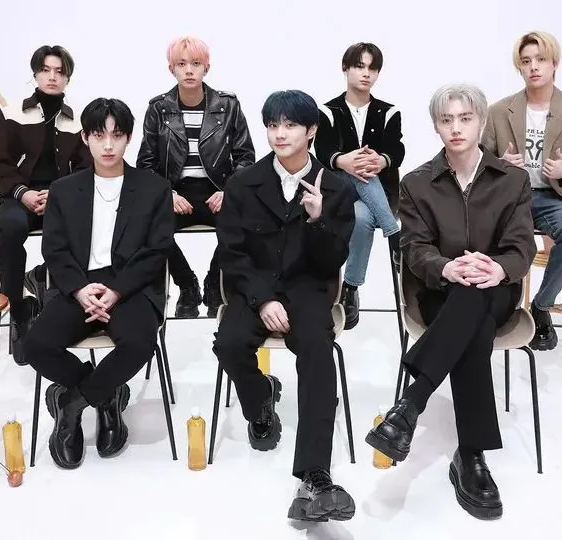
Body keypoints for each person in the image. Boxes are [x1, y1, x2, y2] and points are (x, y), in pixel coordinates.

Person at [365, 84, 536, 520]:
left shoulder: (512, 180)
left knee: (476, 301)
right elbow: (414, 247)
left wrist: (498, 268)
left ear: (481, 122)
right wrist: (445, 268)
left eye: (465, 118)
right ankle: (471, 456)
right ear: (436, 127)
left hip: (497, 290)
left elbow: (522, 246)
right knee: (471, 322)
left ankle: (411, 403)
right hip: (440, 294)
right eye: (446, 120)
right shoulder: (417, 183)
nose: (456, 128)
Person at [213, 90, 356, 521]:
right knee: (229, 343)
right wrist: (262, 300)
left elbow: (332, 263)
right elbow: (232, 254)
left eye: (290, 125)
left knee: (318, 352)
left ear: (311, 130)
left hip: (308, 289)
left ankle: (316, 474)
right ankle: (261, 401)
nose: (280, 133)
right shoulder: (243, 183)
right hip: (254, 288)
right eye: (273, 125)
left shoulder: (336, 188)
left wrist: (317, 220)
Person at [22, 98, 174, 470]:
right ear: (85, 138)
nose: (108, 145)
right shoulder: (63, 189)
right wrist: (78, 289)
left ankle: (71, 403)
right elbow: (54, 249)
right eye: (98, 135)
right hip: (79, 286)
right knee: (36, 345)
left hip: (130, 287)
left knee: (138, 342)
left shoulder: (154, 188)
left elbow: (156, 251)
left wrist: (117, 290)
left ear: (128, 138)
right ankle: (105, 394)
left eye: (117, 135)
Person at [482, 31, 562, 351]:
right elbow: (477, 162)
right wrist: (500, 165)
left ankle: (541, 305)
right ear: (519, 67)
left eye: (540, 59)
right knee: (484, 233)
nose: (533, 67)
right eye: (526, 61)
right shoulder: (498, 111)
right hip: (510, 198)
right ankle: (498, 314)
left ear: (554, 64)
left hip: (554, 197)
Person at [0, 45, 92, 364]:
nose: (52, 77)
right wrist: (23, 193)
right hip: (17, 196)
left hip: (60, 199)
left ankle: (56, 294)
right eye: (46, 70)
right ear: (35, 74)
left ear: (68, 78)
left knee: (84, 229)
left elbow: (87, 168)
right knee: (10, 228)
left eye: (59, 72)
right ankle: (18, 311)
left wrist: (59, 196)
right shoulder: (11, 114)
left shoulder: (78, 122)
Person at [137, 36, 255, 318]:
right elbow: (145, 164)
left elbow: (245, 157)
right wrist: (167, 194)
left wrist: (229, 191)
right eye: (181, 64)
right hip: (175, 192)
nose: (189, 70)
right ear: (171, 69)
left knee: (245, 226)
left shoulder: (228, 105)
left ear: (206, 67)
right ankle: (187, 285)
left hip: (218, 189)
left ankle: (214, 284)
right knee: (147, 229)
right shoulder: (158, 108)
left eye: (196, 63)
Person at [314, 42, 405, 329]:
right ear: (346, 68)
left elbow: (397, 150)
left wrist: (382, 161)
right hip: (339, 190)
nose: (366, 74)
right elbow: (322, 150)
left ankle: (351, 289)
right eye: (359, 66)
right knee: (357, 168)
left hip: (378, 196)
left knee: (362, 216)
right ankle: (394, 233)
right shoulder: (328, 110)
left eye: (372, 68)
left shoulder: (388, 111)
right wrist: (343, 161)